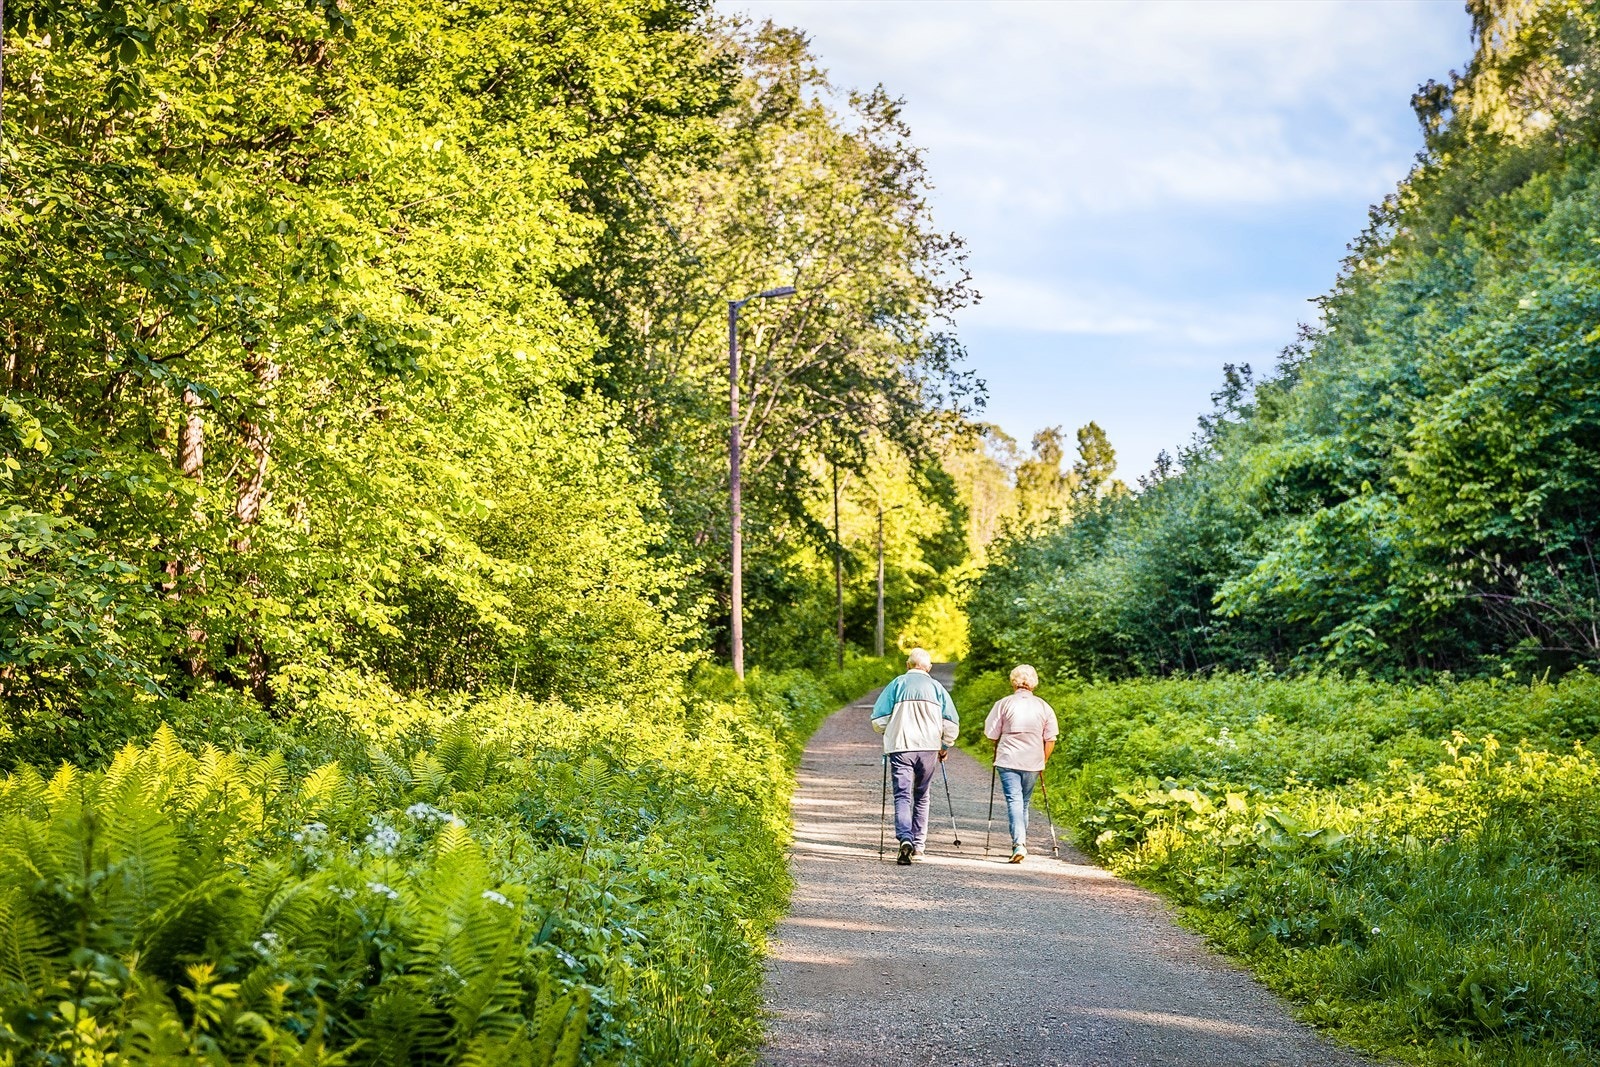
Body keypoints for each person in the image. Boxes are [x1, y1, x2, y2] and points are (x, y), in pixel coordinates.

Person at [871, 647, 959, 865]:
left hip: (901, 747)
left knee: (902, 795)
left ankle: (905, 839)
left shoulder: (897, 684)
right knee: (922, 795)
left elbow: (878, 720)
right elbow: (951, 723)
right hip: (928, 749)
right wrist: (945, 745)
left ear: (908, 665)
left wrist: (889, 730)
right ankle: (919, 845)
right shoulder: (937, 688)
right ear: (928, 668)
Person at [983, 664, 1058, 863]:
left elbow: (991, 734)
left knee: (1015, 801)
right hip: (1033, 761)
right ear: (1034, 683)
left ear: (1013, 681)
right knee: (1023, 802)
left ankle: (1019, 844)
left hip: (1008, 758)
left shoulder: (1004, 703)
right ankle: (1020, 843)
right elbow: (1051, 739)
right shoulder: (1043, 706)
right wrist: (1044, 759)